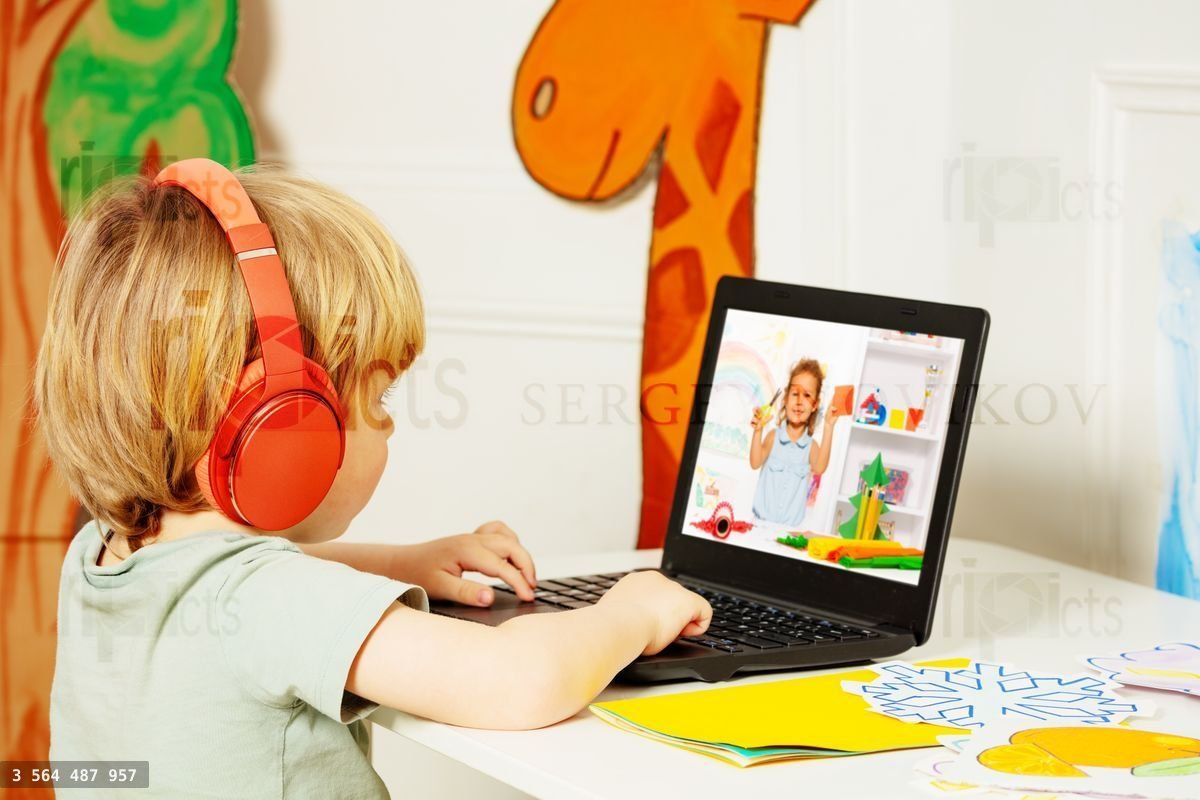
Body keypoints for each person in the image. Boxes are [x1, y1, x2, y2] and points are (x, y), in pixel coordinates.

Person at [36, 162, 711, 798]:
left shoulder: (100, 554)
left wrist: (400, 563)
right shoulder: (271, 603)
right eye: (379, 398)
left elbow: (245, 575)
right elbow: (518, 681)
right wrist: (629, 613)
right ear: (280, 422)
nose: (388, 425)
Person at [748, 358, 844, 526]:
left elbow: (820, 467)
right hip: (759, 524)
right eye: (794, 394)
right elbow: (755, 463)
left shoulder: (811, 447)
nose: (799, 401)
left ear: (815, 405)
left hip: (788, 531)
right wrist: (758, 431)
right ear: (785, 398)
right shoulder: (773, 437)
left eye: (807, 395)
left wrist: (829, 427)